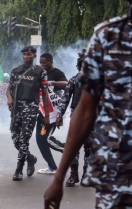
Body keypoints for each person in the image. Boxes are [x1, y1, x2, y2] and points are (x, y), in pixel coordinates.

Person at [44, 0, 132, 207]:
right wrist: (58, 178)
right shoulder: (108, 37)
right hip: (117, 177)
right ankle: (75, 174)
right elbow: (84, 109)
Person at [6, 45, 50, 181]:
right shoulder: (16, 71)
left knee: (24, 138)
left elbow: (45, 94)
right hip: (17, 108)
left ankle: (19, 169)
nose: (26, 57)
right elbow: (9, 88)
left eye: (29, 55)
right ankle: (30, 158)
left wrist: (47, 116)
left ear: (34, 56)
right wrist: (9, 98)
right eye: (25, 54)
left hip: (31, 107)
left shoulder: (40, 72)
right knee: (15, 139)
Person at [55, 49, 88, 187]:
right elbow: (65, 99)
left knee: (90, 148)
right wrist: (59, 115)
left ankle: (86, 175)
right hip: (77, 116)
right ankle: (74, 175)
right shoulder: (74, 80)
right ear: (79, 65)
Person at [36, 52, 68, 175]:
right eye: (41, 62)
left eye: (44, 62)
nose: (42, 64)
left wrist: (51, 83)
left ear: (51, 61)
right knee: (40, 139)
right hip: (42, 111)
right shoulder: (39, 73)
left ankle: (66, 149)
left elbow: (67, 84)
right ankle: (52, 166)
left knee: (45, 138)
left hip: (53, 112)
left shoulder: (57, 73)